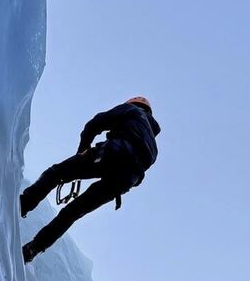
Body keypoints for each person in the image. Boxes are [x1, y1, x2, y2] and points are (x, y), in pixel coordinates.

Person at [20, 96, 161, 263]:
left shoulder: (132, 111)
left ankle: (22, 205)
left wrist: (83, 150)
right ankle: (33, 249)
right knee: (73, 212)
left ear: (133, 104)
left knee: (56, 173)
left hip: (111, 155)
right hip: (124, 181)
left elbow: (95, 123)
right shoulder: (153, 146)